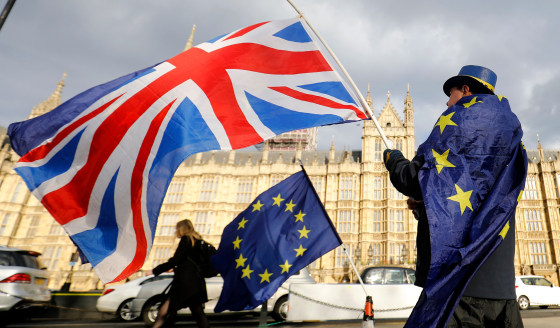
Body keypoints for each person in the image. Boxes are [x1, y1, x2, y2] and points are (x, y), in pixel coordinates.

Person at [383, 65, 526, 327]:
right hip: (502, 290)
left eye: (451, 94)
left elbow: (414, 180)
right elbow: (477, 198)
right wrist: (429, 205)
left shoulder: (461, 125)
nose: (448, 102)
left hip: (461, 287)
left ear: (466, 91)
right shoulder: (509, 135)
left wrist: (394, 161)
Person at [149, 219, 210, 328]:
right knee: (199, 314)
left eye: (177, 229)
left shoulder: (186, 239)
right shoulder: (199, 242)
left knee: (163, 312)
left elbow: (176, 260)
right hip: (196, 283)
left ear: (181, 229)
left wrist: (155, 270)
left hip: (184, 284)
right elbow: (190, 262)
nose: (175, 231)